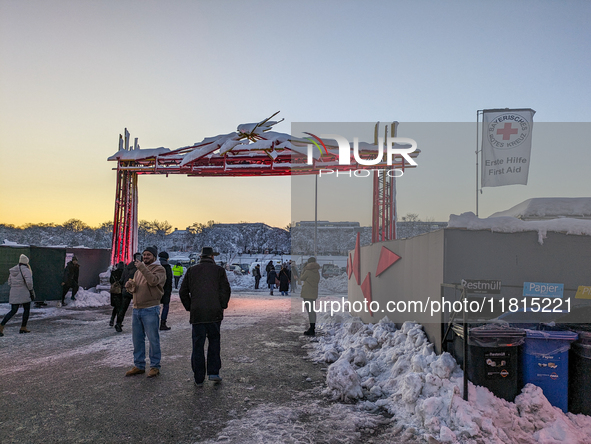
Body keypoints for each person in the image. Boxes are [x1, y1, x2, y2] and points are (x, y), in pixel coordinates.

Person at [179, 246, 231, 387]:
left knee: (198, 344)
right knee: (214, 342)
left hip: (198, 314)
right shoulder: (219, 271)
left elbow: (183, 291)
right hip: (214, 313)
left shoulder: (191, 270)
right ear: (212, 257)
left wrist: (190, 306)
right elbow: (225, 290)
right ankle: (214, 372)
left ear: (201, 257)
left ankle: (199, 377)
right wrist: (222, 305)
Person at [124, 246, 166, 378]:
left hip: (150, 309)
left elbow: (153, 281)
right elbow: (137, 288)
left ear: (154, 256)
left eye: (148, 255)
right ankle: (139, 365)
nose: (146, 257)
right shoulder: (138, 271)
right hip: (137, 309)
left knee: (153, 339)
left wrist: (142, 267)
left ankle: (155, 366)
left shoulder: (159, 269)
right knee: (137, 340)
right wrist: (130, 287)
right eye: (144, 255)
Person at [0, 254, 35, 336]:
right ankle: (23, 327)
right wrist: (30, 290)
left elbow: (9, 282)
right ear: (26, 262)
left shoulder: (13, 269)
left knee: (13, 310)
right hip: (24, 293)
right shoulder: (26, 270)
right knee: (26, 309)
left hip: (14, 292)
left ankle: (1, 326)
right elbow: (29, 282)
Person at [115, 252, 141, 333]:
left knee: (123, 308)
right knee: (138, 307)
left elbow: (122, 278)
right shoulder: (140, 267)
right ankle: (139, 325)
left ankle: (118, 323)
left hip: (126, 289)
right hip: (136, 290)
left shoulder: (128, 266)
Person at [299, 257, 321, 336]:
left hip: (307, 294)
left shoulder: (307, 271)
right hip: (314, 293)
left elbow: (301, 278)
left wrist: (303, 270)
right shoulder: (317, 272)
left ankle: (311, 329)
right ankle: (312, 328)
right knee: (312, 311)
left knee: (309, 311)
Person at [158, 251, 173, 331]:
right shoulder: (167, 267)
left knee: (155, 306)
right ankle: (163, 323)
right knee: (165, 306)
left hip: (156, 290)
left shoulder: (156, 266)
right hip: (166, 290)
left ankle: (154, 323)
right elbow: (169, 280)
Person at [109, 262, 125, 327]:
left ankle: (112, 319)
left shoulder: (113, 272)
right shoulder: (124, 273)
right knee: (120, 307)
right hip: (120, 291)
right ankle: (118, 322)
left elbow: (110, 281)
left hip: (114, 291)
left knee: (116, 307)